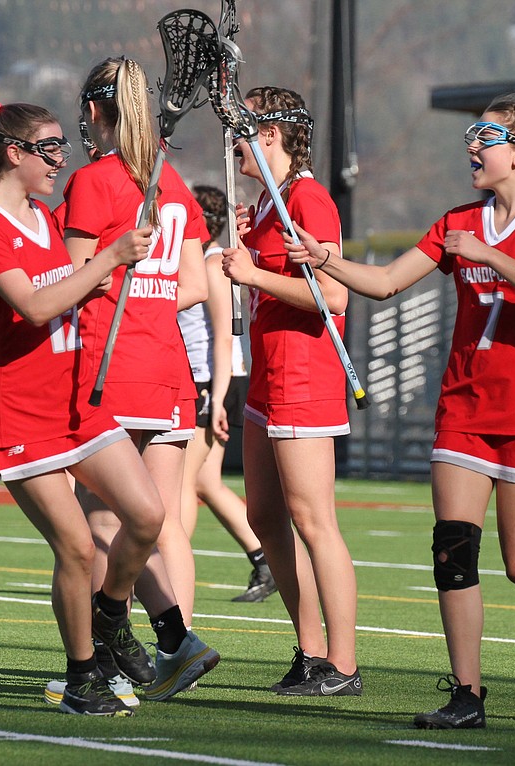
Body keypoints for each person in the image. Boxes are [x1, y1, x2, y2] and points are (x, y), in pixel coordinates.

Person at [285, 92, 515, 727]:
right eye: (471, 136)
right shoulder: (459, 218)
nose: (473, 149)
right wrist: (326, 261)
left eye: (485, 136)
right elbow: (384, 282)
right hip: (464, 410)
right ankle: (466, 695)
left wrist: (490, 257)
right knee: (452, 551)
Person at [0, 100, 163, 717]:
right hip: (13, 411)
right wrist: (107, 260)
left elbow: (62, 287)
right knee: (74, 546)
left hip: (73, 403)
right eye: (46, 148)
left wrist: (96, 277)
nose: (58, 159)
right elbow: (34, 307)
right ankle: (81, 677)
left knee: (147, 516)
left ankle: (110, 615)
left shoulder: (45, 217)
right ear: (12, 153)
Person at [61, 55, 219, 702]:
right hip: (167, 369)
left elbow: (71, 282)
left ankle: (103, 642)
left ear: (96, 110)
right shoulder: (171, 181)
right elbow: (193, 285)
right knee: (149, 523)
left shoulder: (93, 183)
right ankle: (175, 640)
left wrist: (115, 274)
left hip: (108, 367)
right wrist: (147, 292)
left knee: (101, 523)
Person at [220, 86, 361, 696]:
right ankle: (309, 650)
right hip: (266, 377)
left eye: (244, 129)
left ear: (271, 134)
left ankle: (344, 664)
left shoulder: (308, 198)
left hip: (304, 377)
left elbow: (334, 298)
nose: (235, 142)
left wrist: (254, 273)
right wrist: (255, 248)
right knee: (263, 517)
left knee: (313, 519)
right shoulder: (268, 203)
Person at [178, 184, 276, 603]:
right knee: (205, 481)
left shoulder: (212, 261)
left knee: (180, 481)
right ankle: (264, 559)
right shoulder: (196, 260)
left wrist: (216, 398)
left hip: (213, 380)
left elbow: (223, 337)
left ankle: (168, 562)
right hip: (212, 379)